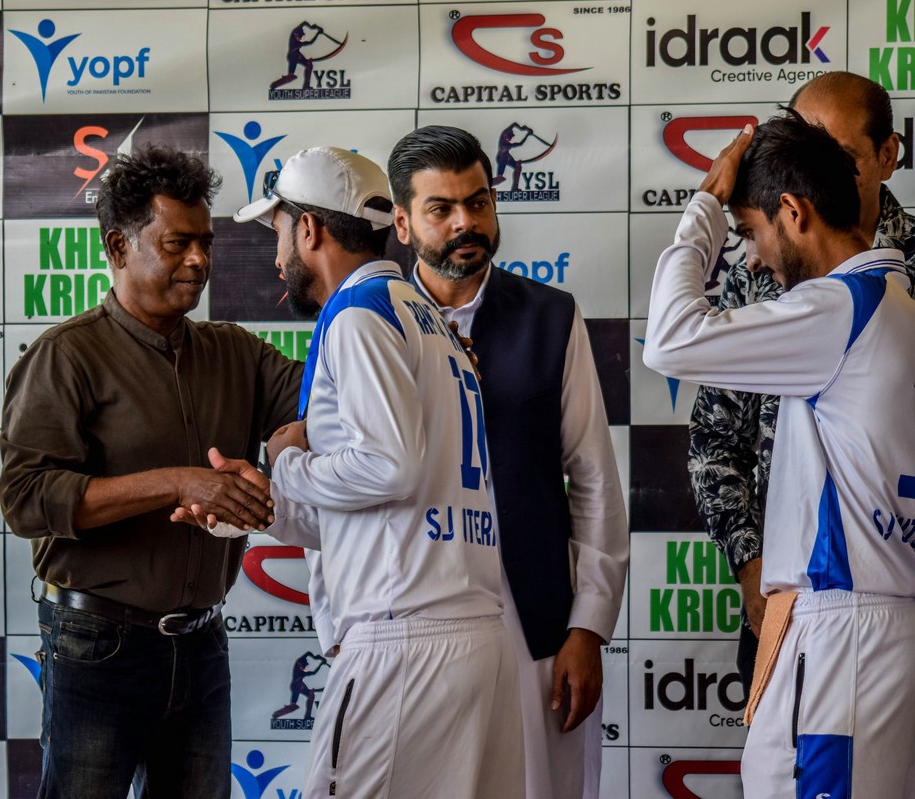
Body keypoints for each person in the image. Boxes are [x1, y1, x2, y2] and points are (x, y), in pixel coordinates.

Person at [0, 145, 302, 799]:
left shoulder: (236, 351)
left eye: (205, 243)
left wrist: (424, 350)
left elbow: (332, 398)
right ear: (118, 246)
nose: (198, 260)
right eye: (176, 244)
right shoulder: (65, 356)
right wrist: (181, 481)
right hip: (95, 647)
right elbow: (26, 500)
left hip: (202, 643)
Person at [231, 146, 524, 799]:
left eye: (278, 230)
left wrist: (286, 463)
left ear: (309, 229)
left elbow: (387, 470)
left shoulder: (359, 314)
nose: (276, 255)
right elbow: (390, 500)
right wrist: (264, 504)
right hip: (472, 636)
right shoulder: (428, 318)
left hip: (403, 645)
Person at [644, 114, 915, 798]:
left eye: (750, 232)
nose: (754, 259)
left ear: (793, 212)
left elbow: (669, 340)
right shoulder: (894, 301)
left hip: (840, 635)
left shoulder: (839, 306)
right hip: (861, 624)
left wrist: (705, 206)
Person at [387, 125, 628, 799]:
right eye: (441, 209)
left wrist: (587, 628)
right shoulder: (372, 323)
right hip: (411, 623)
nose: (466, 223)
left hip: (535, 624)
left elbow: (594, 479)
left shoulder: (551, 316)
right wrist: (341, 631)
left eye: (479, 202)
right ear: (403, 223)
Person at [688, 71, 915, 690]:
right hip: (793, 593)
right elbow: (715, 438)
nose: (814, 171)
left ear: (888, 155)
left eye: (837, 154)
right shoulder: (759, 265)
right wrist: (751, 567)